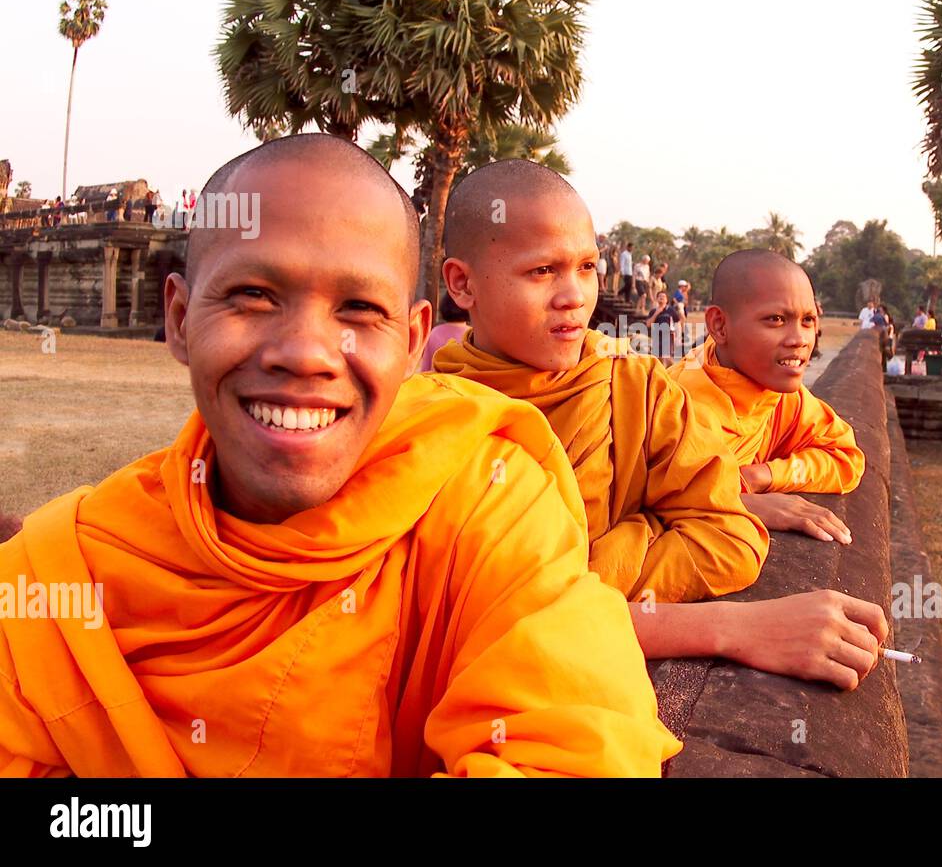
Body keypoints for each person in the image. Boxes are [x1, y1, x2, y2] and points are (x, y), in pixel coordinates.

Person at [0, 134, 678, 777]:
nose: (305, 352)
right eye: (253, 297)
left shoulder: (484, 503)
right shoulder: (70, 566)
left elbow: (576, 744)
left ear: (412, 341)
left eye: (358, 310)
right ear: (179, 319)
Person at [433, 160, 888, 692]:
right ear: (463, 284)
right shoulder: (432, 418)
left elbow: (731, 539)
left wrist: (588, 571)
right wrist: (648, 540)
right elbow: (489, 615)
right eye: (541, 272)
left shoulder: (637, 388)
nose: (575, 297)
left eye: (586, 267)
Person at [670, 250, 865, 533]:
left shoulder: (778, 394)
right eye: (775, 319)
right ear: (719, 326)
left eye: (808, 320)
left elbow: (845, 459)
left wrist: (764, 475)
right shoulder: (676, 405)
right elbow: (651, 497)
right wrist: (739, 503)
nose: (799, 339)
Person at [419, 292, 472, 372]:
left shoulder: (435, 332)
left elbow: (426, 367)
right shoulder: (471, 335)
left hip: (437, 382)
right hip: (463, 383)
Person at [645, 290, 682, 365]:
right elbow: (648, 324)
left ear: (667, 300)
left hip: (669, 336)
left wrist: (678, 338)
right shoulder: (653, 311)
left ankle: (671, 373)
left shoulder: (671, 310)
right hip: (657, 337)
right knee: (658, 358)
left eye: (663, 297)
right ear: (657, 299)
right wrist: (657, 313)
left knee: (668, 357)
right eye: (659, 297)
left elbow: (678, 324)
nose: (661, 298)